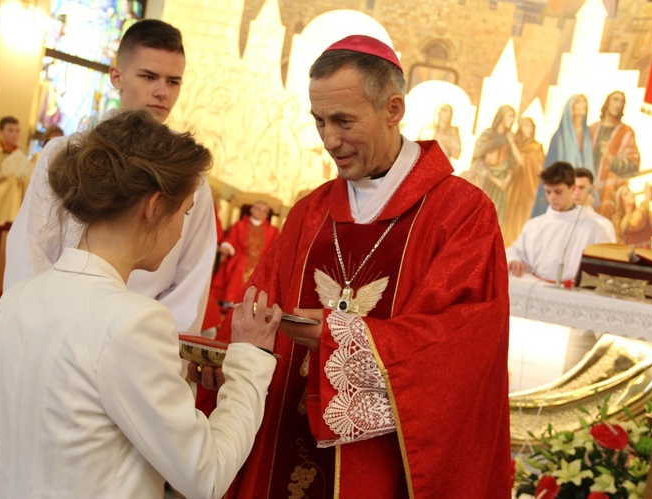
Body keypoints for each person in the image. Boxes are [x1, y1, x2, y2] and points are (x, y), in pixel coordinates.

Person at [195, 34, 511, 498]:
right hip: (284, 442)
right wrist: (217, 354)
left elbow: (464, 347)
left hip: (381, 468)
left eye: (343, 121)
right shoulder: (309, 213)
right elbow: (254, 306)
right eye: (319, 121)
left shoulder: (461, 214)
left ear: (394, 109)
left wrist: (344, 338)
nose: (329, 140)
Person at [0, 109, 282, 497]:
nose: (181, 230)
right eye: (184, 212)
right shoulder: (135, 322)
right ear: (154, 207)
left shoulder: (17, 300)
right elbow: (206, 476)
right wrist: (250, 360)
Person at [4, 19, 217, 335]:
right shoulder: (65, 152)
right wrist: (34, 327)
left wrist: (158, 347)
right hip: (55, 326)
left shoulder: (191, 177)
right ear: (117, 76)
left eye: (173, 81)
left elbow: (191, 280)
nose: (162, 91)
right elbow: (32, 246)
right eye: (149, 77)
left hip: (140, 337)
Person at [507, 161, 612, 285]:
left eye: (558, 192)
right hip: (534, 289)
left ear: (572, 189)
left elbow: (604, 268)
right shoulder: (533, 225)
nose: (552, 197)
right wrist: (514, 260)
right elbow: (516, 251)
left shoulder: (593, 228)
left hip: (574, 294)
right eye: (548, 192)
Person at [530, 94, 594, 217]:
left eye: (584, 102)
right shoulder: (559, 137)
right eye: (579, 102)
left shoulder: (586, 135)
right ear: (571, 107)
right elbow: (552, 168)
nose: (583, 105)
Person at [210, 200, 280, 307]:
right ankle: (231, 301)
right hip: (241, 257)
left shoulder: (273, 231)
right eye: (258, 209)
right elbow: (231, 238)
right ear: (251, 210)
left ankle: (255, 304)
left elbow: (276, 248)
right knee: (239, 266)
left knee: (264, 271)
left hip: (261, 260)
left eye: (265, 211)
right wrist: (227, 247)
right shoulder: (240, 225)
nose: (261, 212)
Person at [471, 105, 525, 230]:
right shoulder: (487, 135)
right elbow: (477, 159)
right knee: (480, 214)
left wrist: (507, 178)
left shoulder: (510, 138)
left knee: (496, 217)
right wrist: (493, 179)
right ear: (501, 117)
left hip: (503, 184)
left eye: (513, 117)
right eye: (510, 116)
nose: (512, 120)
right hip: (486, 180)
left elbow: (514, 163)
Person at [590, 91, 640, 219]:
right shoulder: (592, 129)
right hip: (587, 190)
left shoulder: (626, 132)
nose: (619, 104)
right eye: (615, 100)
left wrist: (610, 157)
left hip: (609, 191)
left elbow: (633, 165)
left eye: (622, 102)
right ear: (607, 103)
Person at [503, 116, 545, 246]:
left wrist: (511, 143)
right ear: (520, 129)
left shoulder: (536, 147)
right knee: (510, 217)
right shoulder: (517, 145)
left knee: (523, 218)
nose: (529, 129)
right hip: (514, 187)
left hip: (528, 187)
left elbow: (523, 162)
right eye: (526, 126)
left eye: (531, 126)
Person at [612, 183, 652, 250]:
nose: (631, 194)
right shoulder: (620, 221)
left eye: (629, 191)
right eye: (626, 194)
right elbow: (635, 222)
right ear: (620, 201)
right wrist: (646, 200)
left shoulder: (643, 214)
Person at [573, 168, 616, 242]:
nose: (576, 193)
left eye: (581, 188)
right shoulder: (560, 222)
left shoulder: (603, 225)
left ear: (592, 188)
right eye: (573, 188)